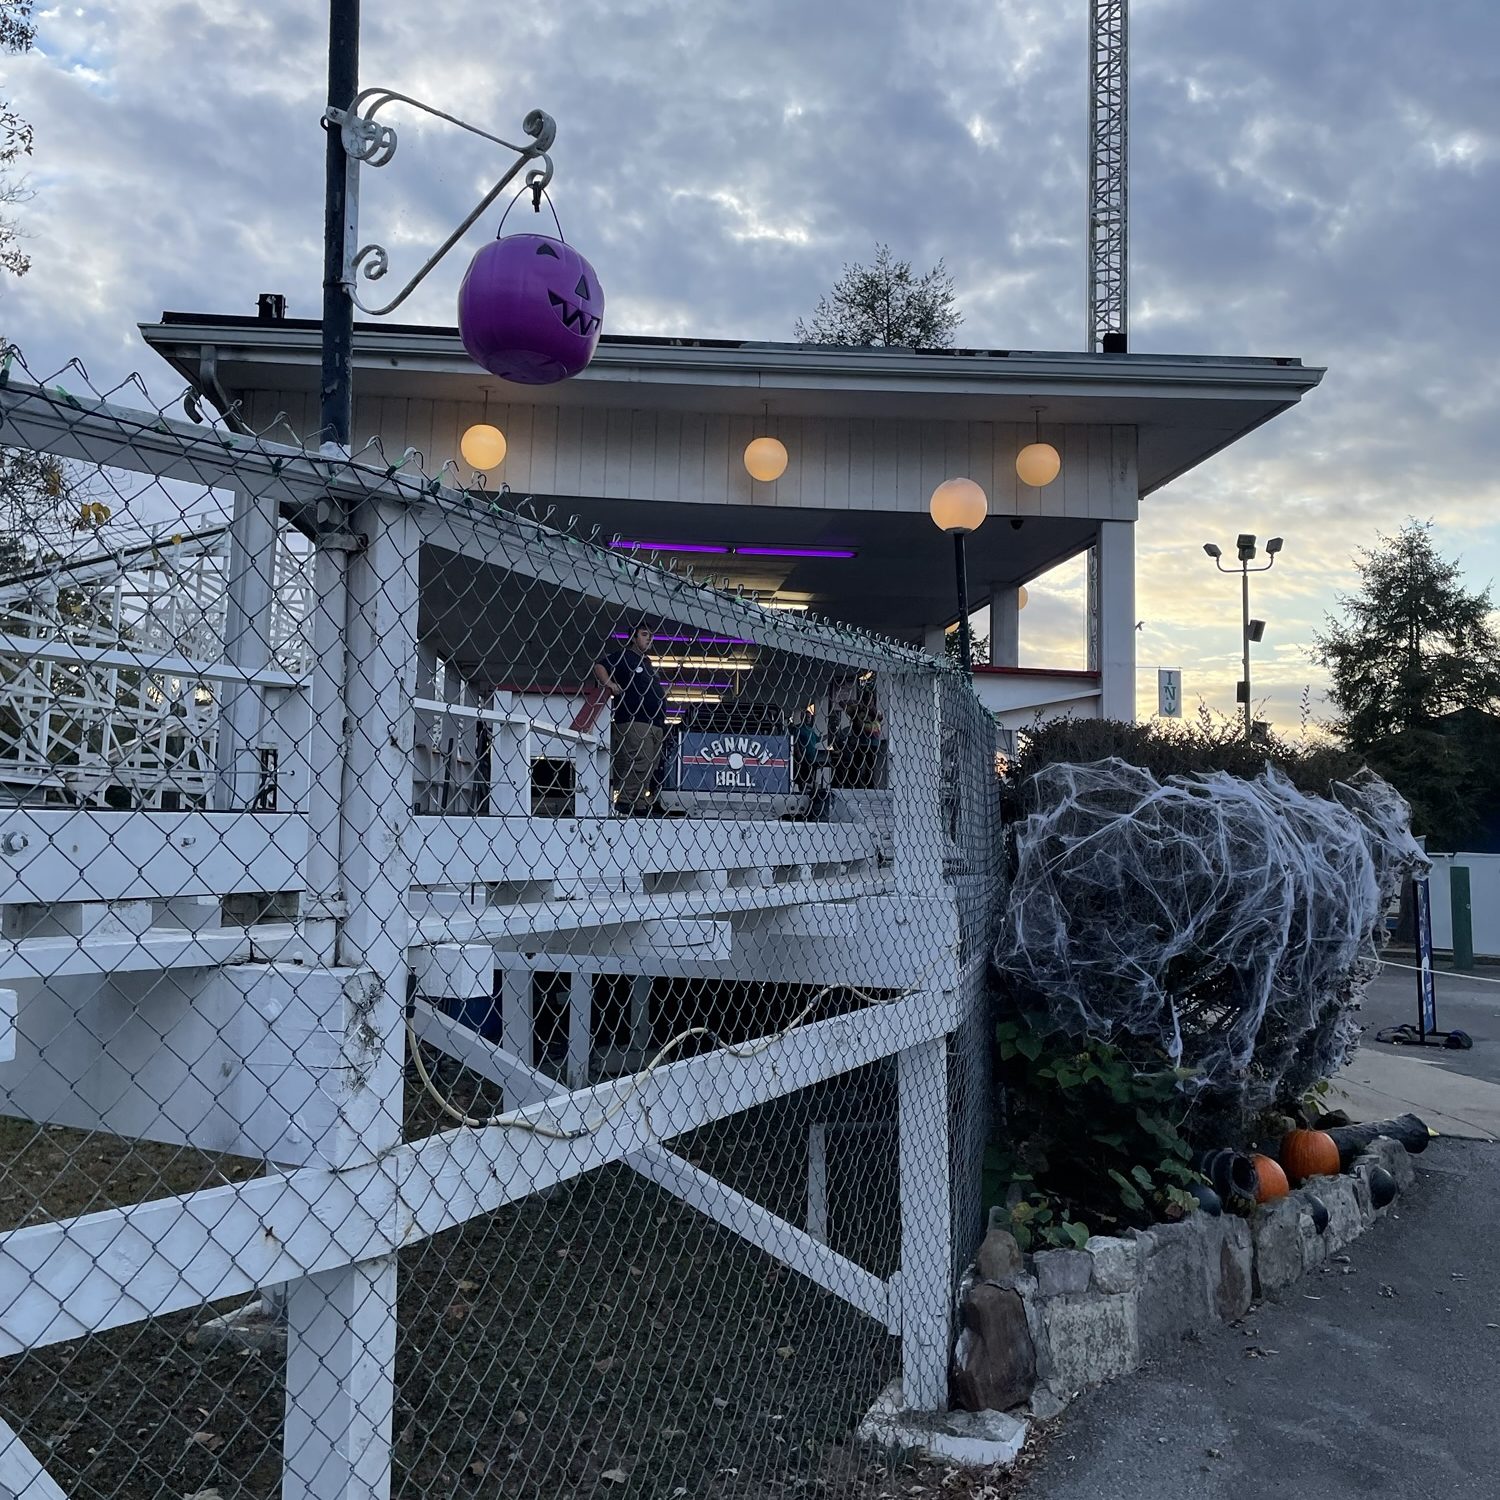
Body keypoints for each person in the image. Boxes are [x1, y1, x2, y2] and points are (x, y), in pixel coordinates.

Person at [593, 624, 667, 815]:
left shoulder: (647, 662)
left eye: (650, 636)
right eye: (644, 635)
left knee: (651, 763)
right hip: (635, 718)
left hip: (654, 721)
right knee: (640, 759)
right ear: (633, 638)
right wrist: (609, 684)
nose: (649, 639)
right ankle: (626, 800)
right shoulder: (625, 657)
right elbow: (600, 666)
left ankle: (640, 802)